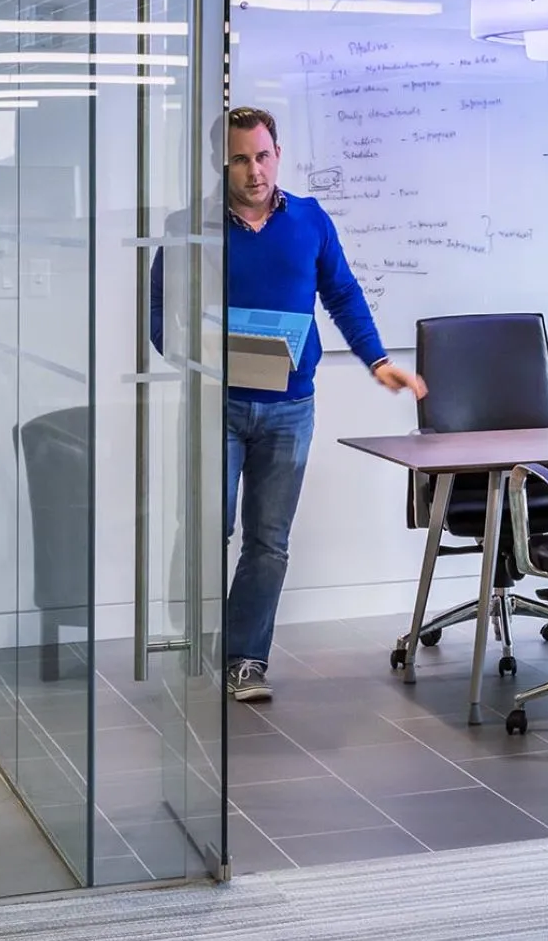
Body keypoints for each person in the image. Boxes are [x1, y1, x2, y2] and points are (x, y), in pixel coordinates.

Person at [154, 106, 427, 703]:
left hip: (289, 408)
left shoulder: (309, 220)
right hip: (214, 403)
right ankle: (194, 635)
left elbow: (343, 295)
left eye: (264, 156)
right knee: (208, 527)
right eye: (241, 159)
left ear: (278, 153)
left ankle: (245, 659)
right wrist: (200, 353)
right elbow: (160, 316)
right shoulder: (188, 226)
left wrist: (378, 361)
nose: (255, 171)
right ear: (219, 162)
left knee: (268, 540)